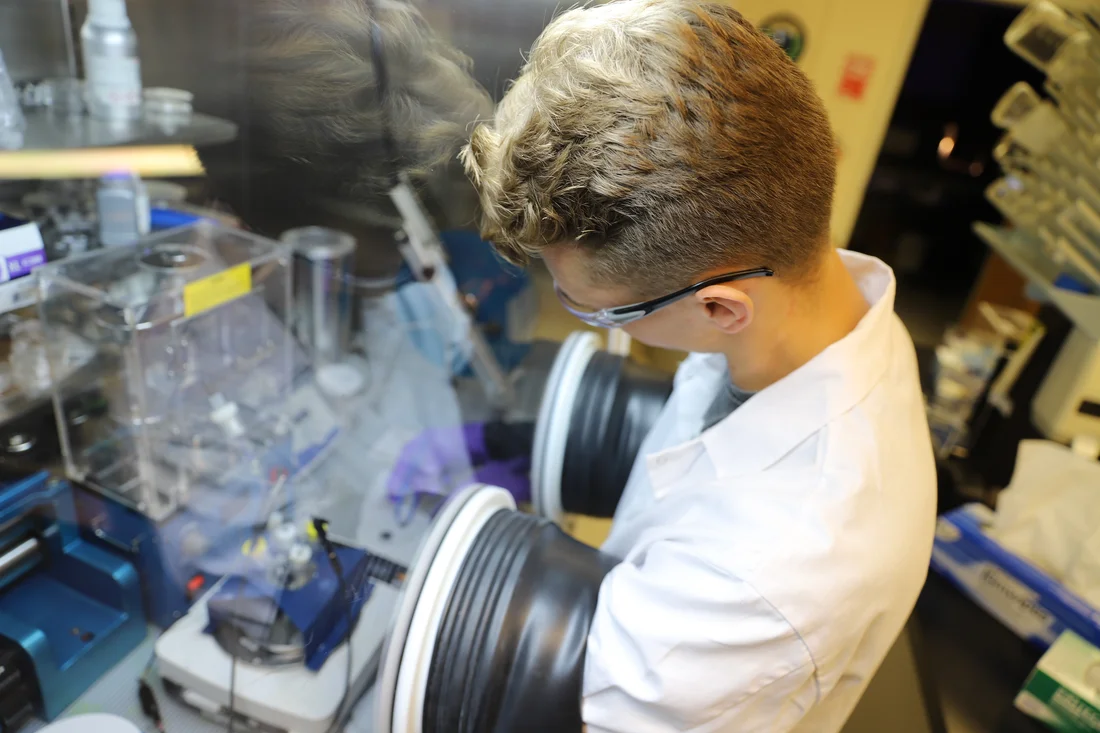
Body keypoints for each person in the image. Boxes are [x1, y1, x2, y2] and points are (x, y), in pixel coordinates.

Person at [445, 1, 937, 731]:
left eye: (592, 308)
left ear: (719, 308)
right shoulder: (813, 313)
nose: (576, 313)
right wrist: (501, 445)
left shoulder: (767, 575)